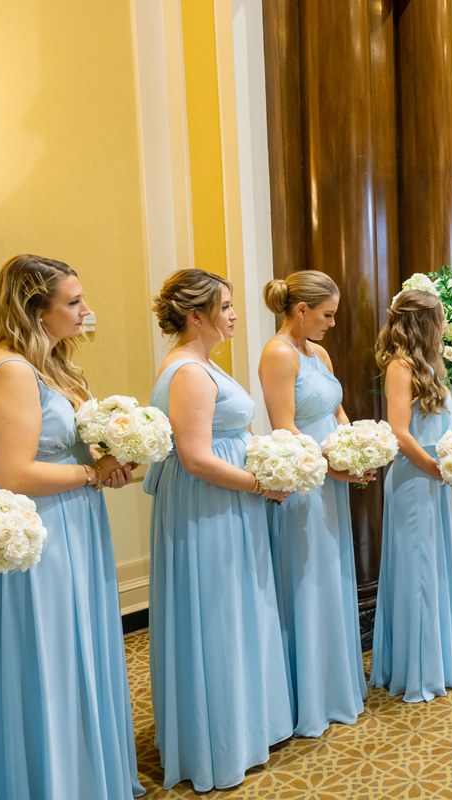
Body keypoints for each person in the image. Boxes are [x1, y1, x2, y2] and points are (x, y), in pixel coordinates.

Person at [0, 255, 142, 800]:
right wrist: (92, 471)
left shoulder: (55, 366)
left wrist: (119, 451)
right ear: (35, 309)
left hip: (77, 520)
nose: (85, 311)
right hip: (40, 533)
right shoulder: (9, 369)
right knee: (49, 656)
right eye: (72, 302)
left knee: (81, 649)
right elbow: (14, 472)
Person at [146, 269, 293, 791]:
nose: (234, 315)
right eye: (226, 306)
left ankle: (241, 724)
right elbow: (196, 458)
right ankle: (220, 740)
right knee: (219, 612)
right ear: (197, 315)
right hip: (209, 505)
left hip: (227, 502)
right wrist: (261, 483)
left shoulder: (202, 364)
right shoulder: (188, 371)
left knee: (234, 608)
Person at [259, 271, 368, 737]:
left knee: (332, 572)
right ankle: (308, 695)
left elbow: (337, 411)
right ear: (300, 310)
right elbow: (285, 427)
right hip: (305, 479)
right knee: (307, 575)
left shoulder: (317, 353)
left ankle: (333, 683)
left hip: (332, 477)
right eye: (326, 315)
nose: (332, 324)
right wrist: (331, 464)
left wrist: (359, 445)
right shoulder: (278, 354)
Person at [370, 290, 452, 702]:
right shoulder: (400, 366)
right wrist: (433, 467)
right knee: (417, 573)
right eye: (441, 318)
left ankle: (436, 660)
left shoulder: (431, 363)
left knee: (435, 568)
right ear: (425, 323)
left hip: (434, 478)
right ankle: (416, 671)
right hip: (414, 479)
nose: (445, 325)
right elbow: (398, 432)